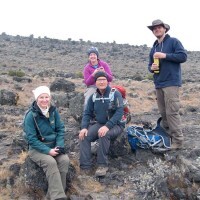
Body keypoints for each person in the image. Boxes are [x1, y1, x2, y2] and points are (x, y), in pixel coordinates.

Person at [147, 19, 187, 150]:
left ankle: (178, 141)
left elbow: (183, 56)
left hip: (171, 82)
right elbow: (149, 66)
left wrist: (165, 55)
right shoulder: (154, 48)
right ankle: (168, 138)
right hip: (159, 83)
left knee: (172, 113)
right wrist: (151, 68)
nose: (157, 29)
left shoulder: (173, 41)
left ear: (165, 29)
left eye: (159, 27)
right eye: (154, 28)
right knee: (163, 113)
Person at [24, 86, 69, 200]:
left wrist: (59, 146)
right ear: (36, 99)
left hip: (54, 145)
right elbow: (31, 139)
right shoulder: (30, 116)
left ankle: (53, 195)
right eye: (41, 97)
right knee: (50, 162)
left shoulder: (53, 111)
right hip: (37, 149)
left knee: (64, 160)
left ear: (50, 98)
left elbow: (60, 129)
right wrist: (48, 151)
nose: (44, 100)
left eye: (46, 97)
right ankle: (59, 197)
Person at [79, 71, 125, 177]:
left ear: (107, 81)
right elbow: (87, 113)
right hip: (100, 123)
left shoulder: (115, 93)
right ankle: (85, 167)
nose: (101, 82)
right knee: (84, 136)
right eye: (99, 80)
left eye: (104, 80)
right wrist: (84, 127)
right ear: (95, 82)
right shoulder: (93, 96)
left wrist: (107, 126)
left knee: (104, 134)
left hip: (116, 125)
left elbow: (119, 112)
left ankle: (102, 165)